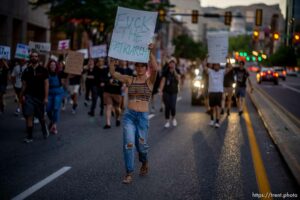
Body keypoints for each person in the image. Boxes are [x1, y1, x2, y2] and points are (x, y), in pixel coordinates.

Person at [109, 43, 158, 184]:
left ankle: (144, 162)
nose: (140, 68)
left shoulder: (150, 82)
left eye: (142, 66)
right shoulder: (130, 79)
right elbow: (114, 74)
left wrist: (150, 52)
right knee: (129, 144)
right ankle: (129, 172)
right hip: (129, 116)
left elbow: (156, 68)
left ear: (146, 67)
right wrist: (112, 61)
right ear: (135, 67)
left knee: (142, 146)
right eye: (137, 65)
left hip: (142, 118)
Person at [20, 50, 49, 143]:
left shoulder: (43, 70)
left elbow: (46, 84)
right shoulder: (26, 70)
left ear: (38, 58)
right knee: (29, 116)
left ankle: (44, 128)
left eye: (36, 56)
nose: (34, 58)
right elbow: (24, 84)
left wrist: (46, 97)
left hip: (40, 97)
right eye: (32, 56)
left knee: (41, 117)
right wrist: (22, 95)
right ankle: (30, 136)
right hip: (29, 96)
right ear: (30, 58)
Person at [203, 62, 232, 128]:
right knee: (212, 107)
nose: (216, 67)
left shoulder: (222, 72)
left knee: (218, 107)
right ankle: (212, 120)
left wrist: (228, 59)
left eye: (218, 66)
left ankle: (217, 121)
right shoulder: (210, 71)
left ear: (219, 66)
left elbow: (230, 68)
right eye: (215, 65)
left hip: (219, 91)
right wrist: (207, 58)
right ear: (213, 66)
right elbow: (204, 66)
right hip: (211, 91)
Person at [159, 57, 180, 128]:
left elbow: (178, 78)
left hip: (174, 91)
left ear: (175, 64)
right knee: (167, 106)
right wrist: (161, 90)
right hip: (166, 91)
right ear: (168, 64)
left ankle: (173, 118)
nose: (172, 64)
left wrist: (174, 71)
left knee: (173, 106)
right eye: (170, 63)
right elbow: (163, 81)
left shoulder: (177, 70)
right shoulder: (165, 71)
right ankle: (167, 121)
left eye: (173, 63)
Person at [46, 60, 65, 134]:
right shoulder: (46, 74)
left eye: (54, 64)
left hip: (58, 92)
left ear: (56, 66)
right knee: (48, 109)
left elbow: (69, 75)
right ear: (49, 66)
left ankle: (54, 126)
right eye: (51, 64)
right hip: (49, 93)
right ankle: (52, 120)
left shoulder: (59, 73)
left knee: (56, 108)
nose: (53, 66)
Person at [103, 60, 123, 129]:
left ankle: (118, 118)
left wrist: (114, 81)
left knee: (117, 108)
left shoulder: (120, 70)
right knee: (108, 106)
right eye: (111, 60)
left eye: (114, 60)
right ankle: (108, 123)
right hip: (107, 91)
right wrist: (108, 81)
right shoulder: (105, 69)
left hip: (117, 92)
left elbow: (122, 81)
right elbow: (103, 79)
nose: (112, 62)